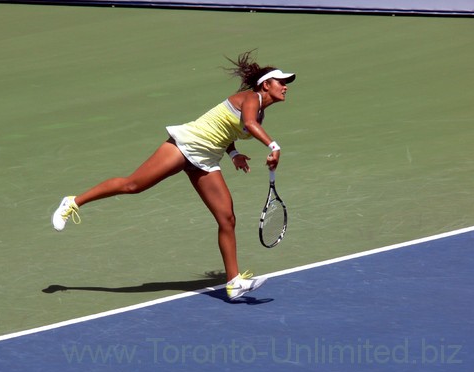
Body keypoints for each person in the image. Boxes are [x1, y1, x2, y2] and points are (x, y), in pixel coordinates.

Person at [51, 51, 296, 300]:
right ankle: (73, 202)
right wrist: (274, 146)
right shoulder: (251, 98)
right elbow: (249, 124)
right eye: (282, 83)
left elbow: (229, 129)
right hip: (186, 145)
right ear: (266, 85)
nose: (285, 87)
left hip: (207, 159)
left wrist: (233, 155)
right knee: (133, 185)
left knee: (227, 217)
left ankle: (233, 283)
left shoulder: (259, 111)